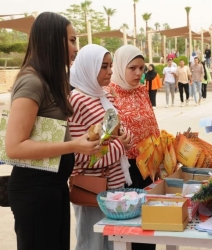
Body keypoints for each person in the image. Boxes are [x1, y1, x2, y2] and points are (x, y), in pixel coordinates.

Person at [6, 12, 100, 250]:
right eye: (71, 40)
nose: (75, 48)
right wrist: (73, 145)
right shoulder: (32, 82)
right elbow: (14, 147)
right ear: (52, 40)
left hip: (53, 186)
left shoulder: (50, 80)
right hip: (34, 191)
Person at [68, 44, 131, 250]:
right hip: (92, 188)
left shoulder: (105, 95)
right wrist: (120, 147)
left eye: (111, 65)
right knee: (92, 244)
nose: (110, 71)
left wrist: (124, 137)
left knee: (114, 244)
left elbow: (118, 130)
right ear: (88, 67)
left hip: (115, 185)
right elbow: (82, 155)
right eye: (103, 66)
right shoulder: (77, 100)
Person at [108, 45, 159, 250]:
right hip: (125, 170)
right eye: (133, 68)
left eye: (141, 68)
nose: (138, 73)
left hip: (148, 166)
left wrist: (161, 152)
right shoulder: (109, 93)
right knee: (131, 227)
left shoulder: (141, 90)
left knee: (149, 224)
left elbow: (152, 122)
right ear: (120, 67)